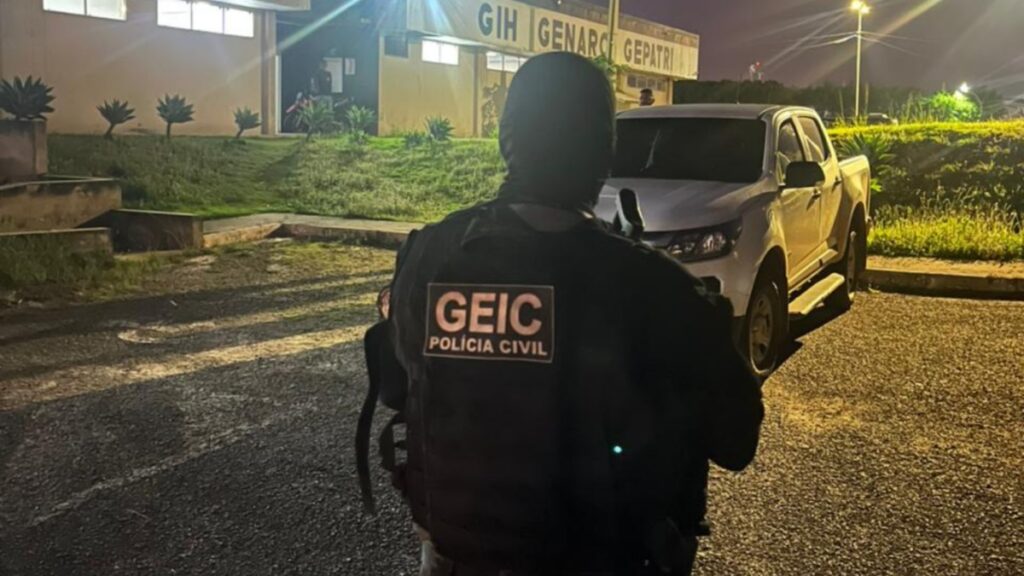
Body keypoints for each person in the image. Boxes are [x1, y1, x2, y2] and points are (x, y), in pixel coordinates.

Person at [384, 52, 763, 576]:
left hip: (454, 555)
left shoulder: (426, 255)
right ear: (604, 150)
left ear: (507, 139)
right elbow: (737, 439)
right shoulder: (655, 285)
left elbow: (400, 385)